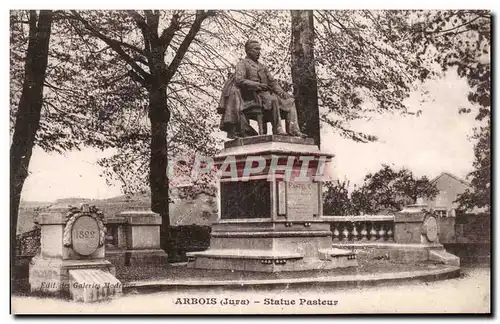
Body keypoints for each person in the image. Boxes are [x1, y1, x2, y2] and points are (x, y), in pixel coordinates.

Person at [219, 39, 307, 138]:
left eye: (259, 49)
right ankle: (278, 129)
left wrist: (282, 93)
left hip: (265, 95)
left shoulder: (262, 66)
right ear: (248, 51)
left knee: (290, 101)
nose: (259, 52)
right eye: (256, 49)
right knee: (273, 99)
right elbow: (239, 80)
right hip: (250, 96)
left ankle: (293, 130)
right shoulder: (242, 64)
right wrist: (257, 85)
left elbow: (272, 82)